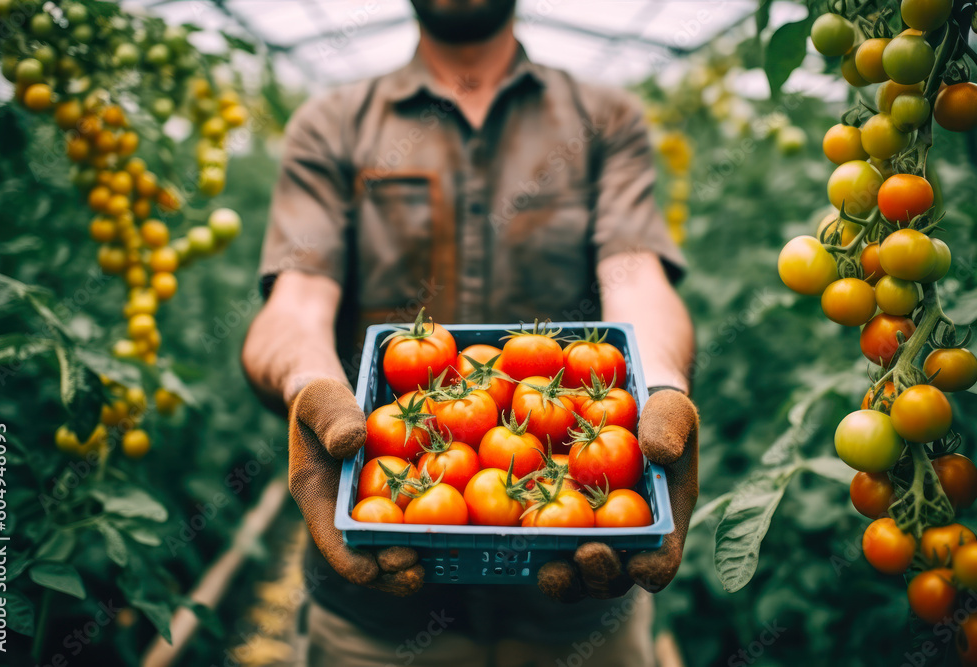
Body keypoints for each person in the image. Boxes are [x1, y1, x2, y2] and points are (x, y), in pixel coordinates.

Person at [242, 0, 699, 664]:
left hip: (583, 607)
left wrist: (662, 385)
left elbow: (636, 278)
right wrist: (307, 383)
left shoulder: (604, 118)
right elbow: (295, 305)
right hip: (378, 614)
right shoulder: (333, 125)